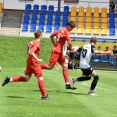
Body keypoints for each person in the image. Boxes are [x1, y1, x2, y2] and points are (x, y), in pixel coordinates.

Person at [2, 30, 50, 100]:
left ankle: (10, 79)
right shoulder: (36, 43)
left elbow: (28, 49)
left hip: (29, 61)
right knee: (40, 78)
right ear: (40, 36)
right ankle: (44, 96)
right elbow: (32, 51)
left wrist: (30, 54)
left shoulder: (32, 42)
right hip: (34, 62)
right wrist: (37, 59)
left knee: (27, 78)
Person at [40, 21, 76, 89]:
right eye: (71, 28)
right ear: (68, 26)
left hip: (59, 51)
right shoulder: (66, 32)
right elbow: (69, 42)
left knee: (65, 66)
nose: (71, 30)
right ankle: (36, 67)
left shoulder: (60, 30)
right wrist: (71, 49)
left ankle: (67, 84)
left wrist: (54, 45)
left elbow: (51, 36)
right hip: (57, 52)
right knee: (50, 67)